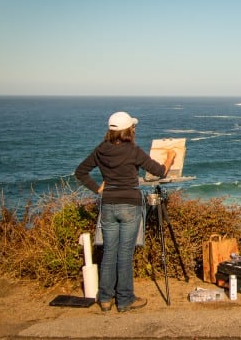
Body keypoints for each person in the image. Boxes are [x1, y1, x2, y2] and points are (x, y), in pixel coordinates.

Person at [75, 111, 176, 312]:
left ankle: (105, 299)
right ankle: (125, 299)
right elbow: (159, 171)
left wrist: (97, 188)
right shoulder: (133, 150)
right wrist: (170, 158)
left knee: (109, 252)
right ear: (128, 130)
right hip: (130, 205)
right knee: (124, 253)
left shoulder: (101, 150)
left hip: (108, 204)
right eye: (133, 127)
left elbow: (80, 172)